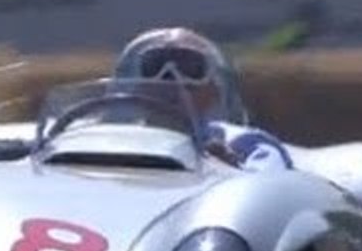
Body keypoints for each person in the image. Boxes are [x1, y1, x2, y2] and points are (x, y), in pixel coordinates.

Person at [113, 28, 293, 172]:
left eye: (189, 75)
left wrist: (232, 169)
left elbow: (271, 186)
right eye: (154, 66)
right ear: (137, 88)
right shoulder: (112, 143)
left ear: (213, 92)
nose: (172, 86)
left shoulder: (243, 143)